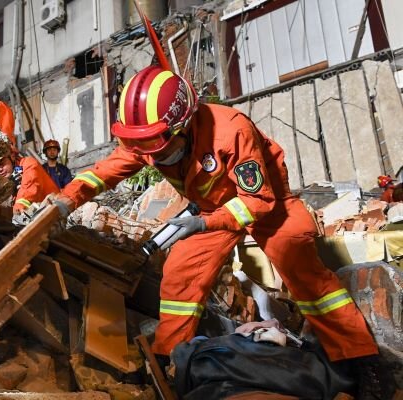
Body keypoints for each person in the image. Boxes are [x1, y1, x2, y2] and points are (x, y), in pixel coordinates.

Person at [54, 65, 393, 398]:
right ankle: (170, 363)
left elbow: (257, 200)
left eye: (158, 147)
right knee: (179, 276)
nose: (151, 157)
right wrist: (65, 201)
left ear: (183, 125)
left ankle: (361, 359)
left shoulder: (231, 131)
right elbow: (103, 173)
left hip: (266, 203)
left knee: (305, 274)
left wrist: (203, 223)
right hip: (211, 209)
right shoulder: (149, 137)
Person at [0, 147, 59, 215]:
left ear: (12, 156)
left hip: (55, 210)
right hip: (38, 213)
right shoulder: (11, 174)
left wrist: (18, 208)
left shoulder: (29, 164)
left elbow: (28, 188)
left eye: (1, 163)